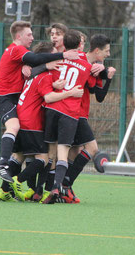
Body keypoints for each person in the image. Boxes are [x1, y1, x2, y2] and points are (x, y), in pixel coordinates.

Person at [0, 20, 79, 183]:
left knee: (23, 152)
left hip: (15, 100)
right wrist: (62, 56)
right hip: (2, 97)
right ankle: (3, 165)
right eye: (29, 34)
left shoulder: (20, 54)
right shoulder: (16, 49)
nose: (32, 37)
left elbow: (34, 64)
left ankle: (9, 188)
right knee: (15, 128)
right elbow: (36, 58)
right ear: (18, 36)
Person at [41, 30, 96, 204]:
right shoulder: (86, 66)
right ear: (80, 44)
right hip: (70, 112)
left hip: (52, 108)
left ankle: (45, 189)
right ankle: (58, 187)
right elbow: (92, 85)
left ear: (64, 44)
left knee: (51, 153)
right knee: (63, 152)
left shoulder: (56, 60)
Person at [62, 34, 116, 203]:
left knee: (74, 152)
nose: (108, 54)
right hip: (74, 113)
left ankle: (62, 188)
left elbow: (99, 96)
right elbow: (94, 91)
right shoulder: (84, 63)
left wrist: (107, 76)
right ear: (97, 50)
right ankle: (64, 184)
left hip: (77, 113)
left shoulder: (96, 65)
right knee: (92, 149)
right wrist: (105, 73)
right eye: (106, 51)